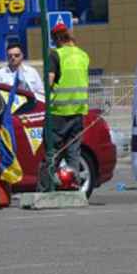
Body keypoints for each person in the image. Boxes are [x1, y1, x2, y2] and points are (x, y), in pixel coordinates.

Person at [46, 23, 89, 185]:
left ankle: (47, 186)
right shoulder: (83, 55)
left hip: (58, 111)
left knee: (53, 153)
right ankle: (74, 185)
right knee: (73, 153)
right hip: (78, 111)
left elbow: (49, 82)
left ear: (57, 38)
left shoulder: (55, 55)